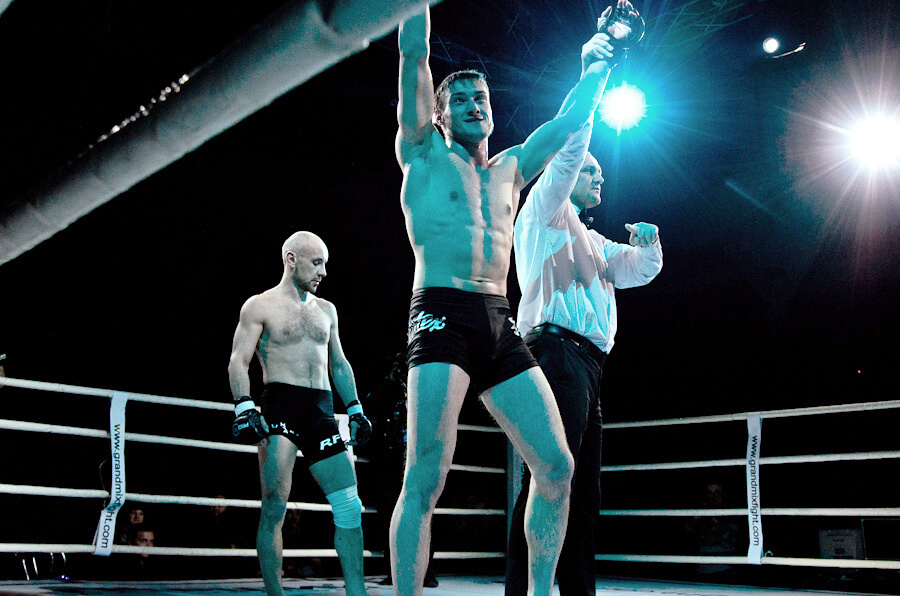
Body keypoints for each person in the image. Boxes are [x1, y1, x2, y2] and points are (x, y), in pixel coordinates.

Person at [391, 4, 634, 594]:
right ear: (441, 114)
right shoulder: (422, 152)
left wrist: (597, 59)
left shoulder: (511, 167)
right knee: (426, 474)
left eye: (482, 98)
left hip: (498, 323)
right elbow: (414, 51)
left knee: (557, 466)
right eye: (462, 99)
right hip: (441, 311)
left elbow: (571, 119)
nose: (475, 105)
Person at [505, 73, 663, 594]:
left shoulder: (593, 240)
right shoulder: (544, 211)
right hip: (554, 354)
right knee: (548, 478)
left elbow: (639, 269)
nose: (600, 177)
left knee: (582, 492)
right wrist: (591, 94)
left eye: (600, 172)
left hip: (588, 366)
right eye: (591, 171)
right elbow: (570, 154)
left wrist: (650, 243)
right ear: (567, 174)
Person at [227, 231, 372, 596]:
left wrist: (355, 409)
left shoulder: (327, 310)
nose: (323, 272)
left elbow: (339, 364)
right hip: (280, 405)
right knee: (274, 506)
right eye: (317, 263)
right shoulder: (259, 305)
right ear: (291, 259)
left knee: (349, 506)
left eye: (325, 264)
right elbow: (238, 360)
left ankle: (357, 593)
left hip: (321, 409)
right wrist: (244, 405)